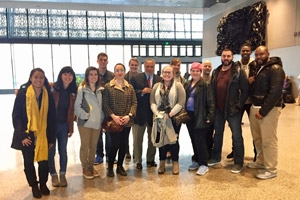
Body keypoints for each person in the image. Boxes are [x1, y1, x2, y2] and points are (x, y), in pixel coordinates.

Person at [11, 68, 56, 198]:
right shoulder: (23, 93)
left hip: (43, 134)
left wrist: (51, 139)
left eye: (41, 77)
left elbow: (52, 117)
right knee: (29, 162)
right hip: (27, 134)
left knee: (44, 162)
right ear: (31, 78)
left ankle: (43, 184)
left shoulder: (48, 94)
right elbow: (16, 116)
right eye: (36, 77)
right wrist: (22, 136)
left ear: (44, 79)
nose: (38, 80)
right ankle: (34, 186)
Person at [246, 46, 285, 180]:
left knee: (269, 140)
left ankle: (271, 169)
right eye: (256, 55)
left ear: (268, 54)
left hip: (268, 110)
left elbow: (275, 92)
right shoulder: (259, 68)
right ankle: (261, 162)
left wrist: (263, 111)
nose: (258, 57)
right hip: (255, 106)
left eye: (261, 54)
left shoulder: (276, 69)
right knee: (258, 139)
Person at [208, 48, 249, 174]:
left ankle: (238, 162)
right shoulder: (216, 71)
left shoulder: (238, 71)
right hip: (219, 110)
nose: (226, 58)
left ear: (232, 57)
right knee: (218, 134)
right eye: (224, 56)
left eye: (228, 56)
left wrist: (239, 105)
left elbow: (245, 90)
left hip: (232, 110)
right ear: (221, 57)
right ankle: (215, 157)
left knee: (236, 136)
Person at [102, 63, 137, 177]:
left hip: (126, 121)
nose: (119, 72)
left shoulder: (129, 87)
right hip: (114, 121)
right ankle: (110, 167)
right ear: (114, 72)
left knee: (123, 144)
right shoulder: (108, 86)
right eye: (117, 70)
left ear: (124, 71)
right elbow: (105, 103)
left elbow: (134, 102)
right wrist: (113, 116)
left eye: (121, 70)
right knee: (114, 145)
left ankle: (120, 167)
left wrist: (129, 115)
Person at [150, 65, 186, 175]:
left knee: (173, 141)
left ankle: (175, 163)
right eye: (165, 72)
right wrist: (157, 113)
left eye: (169, 72)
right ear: (162, 73)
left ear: (173, 73)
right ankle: (162, 163)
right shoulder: (156, 86)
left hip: (173, 118)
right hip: (159, 118)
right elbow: (152, 102)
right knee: (161, 141)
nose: (167, 74)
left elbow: (181, 102)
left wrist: (170, 114)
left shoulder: (178, 85)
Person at [226, 44, 257, 161]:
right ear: (240, 52)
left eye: (247, 51)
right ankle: (235, 150)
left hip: (251, 101)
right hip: (238, 101)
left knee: (254, 128)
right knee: (235, 127)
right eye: (243, 50)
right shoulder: (236, 65)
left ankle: (256, 153)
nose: (245, 52)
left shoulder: (255, 64)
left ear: (250, 52)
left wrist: (251, 82)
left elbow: (260, 79)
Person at [48, 66, 77, 187]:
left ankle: (63, 174)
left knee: (63, 151)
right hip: (50, 126)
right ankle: (53, 175)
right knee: (50, 151)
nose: (67, 76)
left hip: (64, 126)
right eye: (65, 74)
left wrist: (70, 128)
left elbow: (71, 112)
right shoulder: (53, 89)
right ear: (61, 75)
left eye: (70, 74)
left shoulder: (72, 92)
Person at [130, 58, 161, 170]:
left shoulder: (159, 79)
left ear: (154, 67)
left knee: (153, 139)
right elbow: (131, 94)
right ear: (144, 67)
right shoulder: (135, 78)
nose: (149, 68)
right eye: (147, 66)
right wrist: (142, 92)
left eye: (151, 66)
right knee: (137, 140)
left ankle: (150, 160)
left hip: (153, 115)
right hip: (139, 115)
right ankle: (138, 161)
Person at [185, 62, 215, 175]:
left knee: (200, 140)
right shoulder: (188, 84)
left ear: (200, 72)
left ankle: (204, 164)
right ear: (190, 72)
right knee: (193, 139)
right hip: (189, 116)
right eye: (193, 70)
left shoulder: (206, 84)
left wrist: (209, 117)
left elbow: (211, 101)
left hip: (201, 116)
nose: (195, 73)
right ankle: (197, 160)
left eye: (197, 71)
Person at [74, 66, 104, 179]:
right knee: (85, 146)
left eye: (95, 74)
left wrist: (101, 119)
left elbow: (101, 107)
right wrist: (86, 116)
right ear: (87, 76)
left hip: (97, 123)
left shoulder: (100, 89)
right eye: (91, 74)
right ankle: (85, 167)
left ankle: (91, 166)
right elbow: (77, 107)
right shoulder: (82, 89)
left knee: (93, 146)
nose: (93, 77)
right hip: (85, 123)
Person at [94, 52, 115, 165]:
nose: (103, 61)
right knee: (97, 133)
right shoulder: (93, 74)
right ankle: (99, 155)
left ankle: (110, 155)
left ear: (107, 61)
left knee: (109, 132)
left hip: (109, 107)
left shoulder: (112, 76)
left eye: (105, 60)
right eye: (101, 59)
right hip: (96, 108)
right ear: (97, 61)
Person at [124, 58, 139, 161]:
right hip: (125, 108)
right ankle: (126, 151)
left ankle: (135, 151)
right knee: (126, 132)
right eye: (132, 65)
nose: (134, 67)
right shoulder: (124, 77)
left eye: (135, 65)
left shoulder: (140, 77)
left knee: (136, 133)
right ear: (129, 65)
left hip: (137, 108)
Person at [201, 60, 214, 160]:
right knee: (200, 133)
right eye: (205, 66)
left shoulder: (213, 80)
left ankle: (209, 152)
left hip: (211, 110)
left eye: (209, 66)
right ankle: (200, 152)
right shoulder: (198, 80)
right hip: (200, 111)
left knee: (210, 133)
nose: (207, 68)